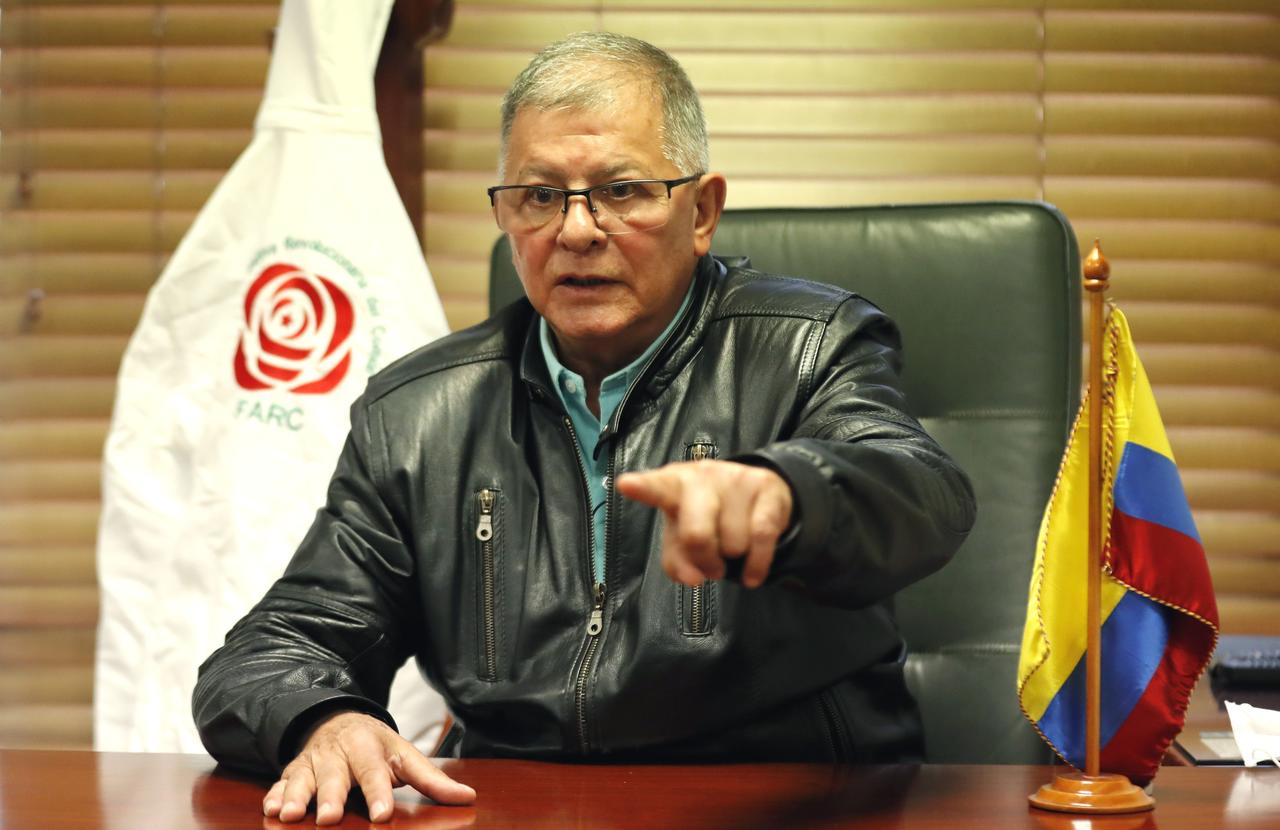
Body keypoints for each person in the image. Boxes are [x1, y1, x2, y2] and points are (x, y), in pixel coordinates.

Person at [193, 32, 976, 825]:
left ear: (702, 211)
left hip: (786, 806)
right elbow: (274, 648)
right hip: (516, 809)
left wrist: (792, 494)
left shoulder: (811, 347)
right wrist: (320, 718)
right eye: (539, 197)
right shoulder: (418, 415)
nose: (575, 231)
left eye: (622, 190)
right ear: (505, 215)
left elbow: (924, 494)